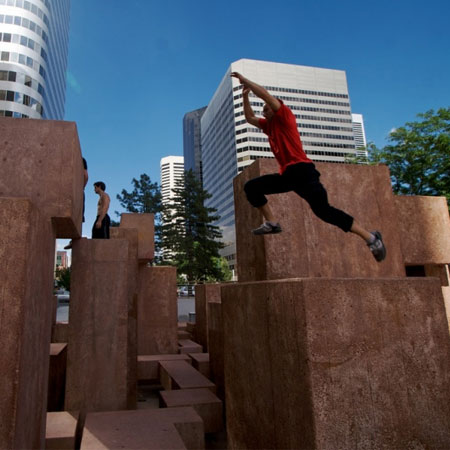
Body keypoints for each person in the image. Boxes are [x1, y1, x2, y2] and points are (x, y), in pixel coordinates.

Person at [230, 72, 386, 262]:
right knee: (251, 187)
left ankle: (371, 238)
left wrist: (246, 82)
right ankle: (271, 222)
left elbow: (264, 95)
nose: (264, 113)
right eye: (263, 111)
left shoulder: (285, 116)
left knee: (324, 211)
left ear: (275, 107)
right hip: (289, 176)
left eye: (266, 109)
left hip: (303, 172)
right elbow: (249, 118)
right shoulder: (269, 126)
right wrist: (244, 95)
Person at [64, 157, 89, 249]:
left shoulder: (80, 160)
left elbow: (86, 176)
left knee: (78, 215)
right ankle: (73, 238)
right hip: (75, 189)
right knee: (77, 214)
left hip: (76, 189)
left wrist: (81, 187)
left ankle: (74, 238)